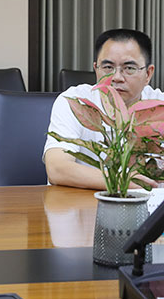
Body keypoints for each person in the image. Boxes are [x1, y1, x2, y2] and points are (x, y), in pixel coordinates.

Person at [44, 28, 164, 189]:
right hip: (79, 201)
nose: (117, 77)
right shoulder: (75, 102)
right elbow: (57, 169)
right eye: (108, 67)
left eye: (129, 68)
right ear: (96, 69)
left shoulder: (159, 106)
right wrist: (123, 182)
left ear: (148, 73)